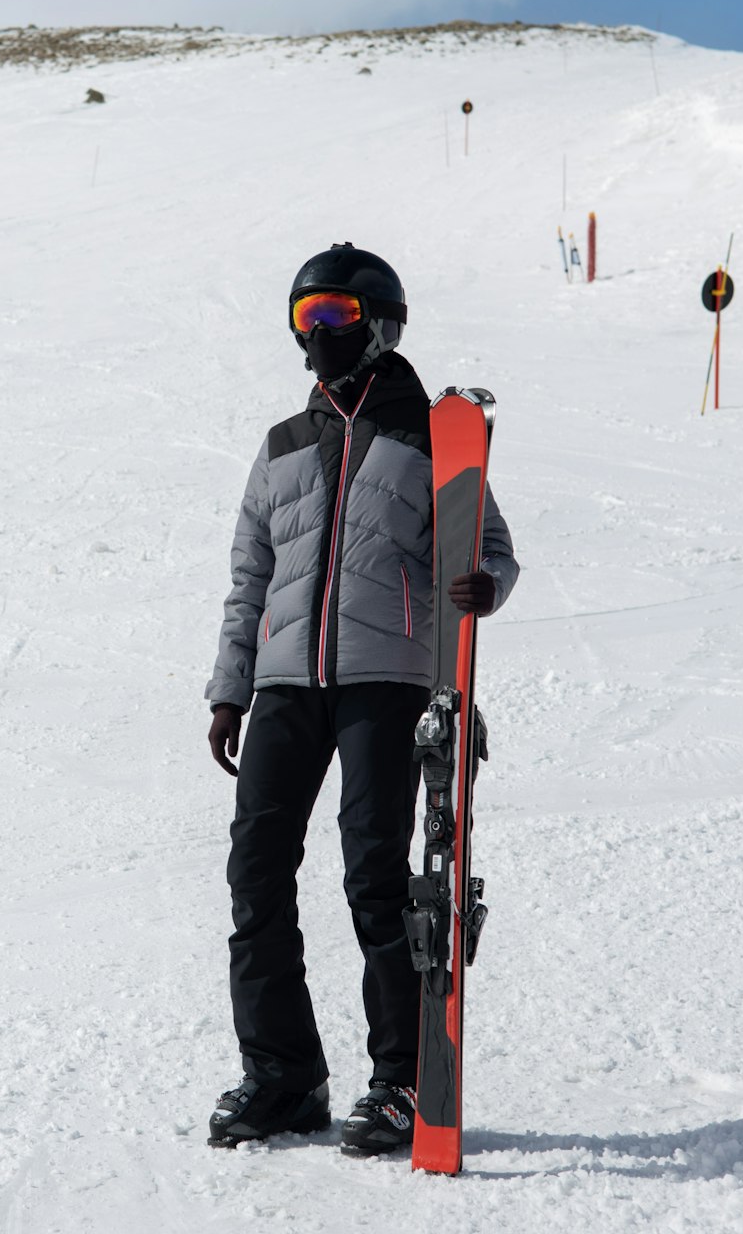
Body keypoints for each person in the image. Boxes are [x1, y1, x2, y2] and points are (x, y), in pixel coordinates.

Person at [202, 243, 518, 1154]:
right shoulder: (283, 446)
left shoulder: (430, 436)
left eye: (335, 315)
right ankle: (283, 1077)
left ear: (377, 322)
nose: (318, 334)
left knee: (375, 876)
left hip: (385, 678)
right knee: (256, 874)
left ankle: (398, 1083)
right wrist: (230, 690)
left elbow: (491, 545)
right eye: (306, 318)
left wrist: (485, 585)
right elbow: (249, 577)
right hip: (284, 683)